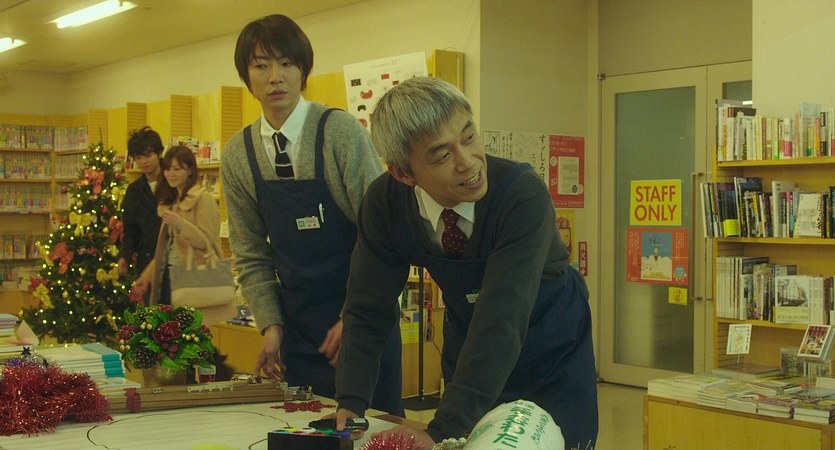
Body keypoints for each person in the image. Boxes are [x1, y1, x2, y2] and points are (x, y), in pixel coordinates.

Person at [334, 77, 598, 450]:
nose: (468, 162)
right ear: (403, 173)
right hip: (472, 344)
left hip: (549, 347)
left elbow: (503, 315)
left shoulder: (521, 195)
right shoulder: (385, 204)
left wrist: (441, 429)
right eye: (442, 155)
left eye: (469, 137)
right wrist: (351, 402)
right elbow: (367, 307)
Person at [220, 14, 403, 415]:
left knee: (374, 431)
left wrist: (355, 317)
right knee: (305, 429)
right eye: (261, 65)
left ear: (303, 70)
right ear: (246, 76)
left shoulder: (340, 133)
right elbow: (251, 253)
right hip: (297, 331)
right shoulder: (238, 155)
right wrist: (270, 325)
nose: (275, 77)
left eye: (286, 63)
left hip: (365, 322)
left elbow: (385, 235)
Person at [132, 145, 235, 326]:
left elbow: (207, 242)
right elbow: (168, 249)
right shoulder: (172, 202)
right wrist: (146, 276)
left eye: (177, 169)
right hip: (168, 277)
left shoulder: (203, 199)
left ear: (190, 171)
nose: (171, 174)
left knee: (186, 336)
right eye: (167, 169)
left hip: (191, 279)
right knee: (167, 335)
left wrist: (180, 224)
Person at [118, 126, 164, 304]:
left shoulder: (173, 182)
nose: (144, 162)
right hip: (146, 262)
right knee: (153, 314)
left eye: (148, 155)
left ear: (159, 153)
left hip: (174, 263)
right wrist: (125, 256)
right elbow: (131, 230)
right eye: (138, 158)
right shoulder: (134, 190)